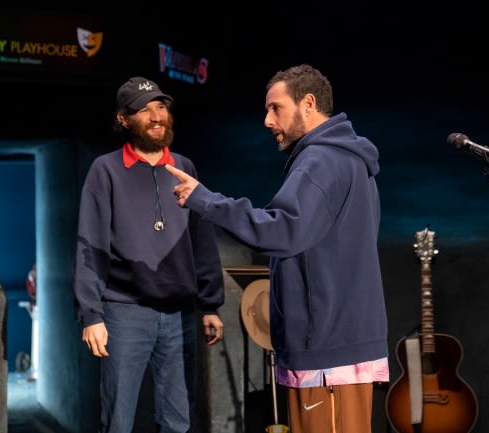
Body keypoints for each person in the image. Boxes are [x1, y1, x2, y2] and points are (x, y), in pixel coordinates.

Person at [166, 64, 389, 433]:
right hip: (335, 343)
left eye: (276, 108)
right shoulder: (343, 160)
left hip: (327, 349)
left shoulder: (322, 161)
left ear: (309, 103)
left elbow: (281, 231)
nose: (268, 121)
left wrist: (205, 200)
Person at [72, 76, 226, 433]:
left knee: (177, 420)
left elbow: (201, 238)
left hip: (179, 316)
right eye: (144, 109)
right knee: (119, 421)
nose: (156, 116)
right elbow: (89, 244)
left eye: (161, 107)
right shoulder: (106, 170)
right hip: (124, 313)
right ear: (124, 119)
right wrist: (91, 314)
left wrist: (210, 304)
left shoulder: (184, 168)